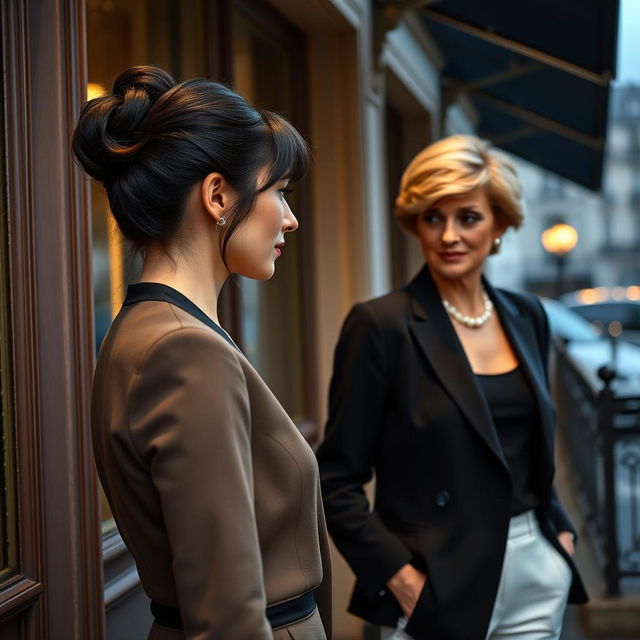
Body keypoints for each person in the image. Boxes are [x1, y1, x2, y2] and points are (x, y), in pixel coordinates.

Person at [73, 65, 331, 640]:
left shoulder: (149, 330)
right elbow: (227, 615)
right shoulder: (185, 350)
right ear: (217, 195)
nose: (290, 218)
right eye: (280, 192)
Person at [316, 135, 587, 640]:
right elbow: (335, 479)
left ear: (500, 223)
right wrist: (401, 578)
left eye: (468, 217)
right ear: (414, 222)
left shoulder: (527, 316)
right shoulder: (381, 325)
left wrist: (560, 532)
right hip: (436, 579)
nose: (448, 236)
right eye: (432, 217)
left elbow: (524, 450)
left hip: (534, 569)